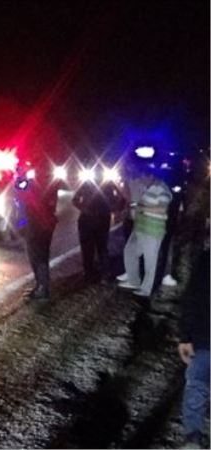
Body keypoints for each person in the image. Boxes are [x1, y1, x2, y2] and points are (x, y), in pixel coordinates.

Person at [116, 164, 172, 297]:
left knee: (150, 261)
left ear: (151, 176)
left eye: (144, 177)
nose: (142, 179)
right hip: (141, 229)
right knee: (130, 251)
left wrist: (142, 209)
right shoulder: (149, 188)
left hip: (153, 231)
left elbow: (162, 209)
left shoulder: (162, 188)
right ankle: (134, 281)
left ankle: (146, 290)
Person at [13, 162, 60, 300]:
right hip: (46, 225)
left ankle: (42, 288)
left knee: (37, 257)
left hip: (36, 226)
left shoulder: (33, 184)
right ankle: (40, 285)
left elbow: (19, 189)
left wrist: (20, 175)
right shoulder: (52, 184)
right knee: (42, 256)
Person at [178, 249, 209, 448]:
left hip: (204, 336)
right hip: (204, 336)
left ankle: (193, 438)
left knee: (197, 386)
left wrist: (185, 337)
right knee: (197, 385)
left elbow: (192, 298)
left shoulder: (207, 259)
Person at [72, 175, 124, 283]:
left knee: (92, 249)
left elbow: (75, 200)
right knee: (99, 248)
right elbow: (121, 199)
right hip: (95, 220)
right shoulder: (106, 184)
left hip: (92, 220)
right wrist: (113, 208)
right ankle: (99, 274)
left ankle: (92, 274)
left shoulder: (93, 184)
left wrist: (85, 209)